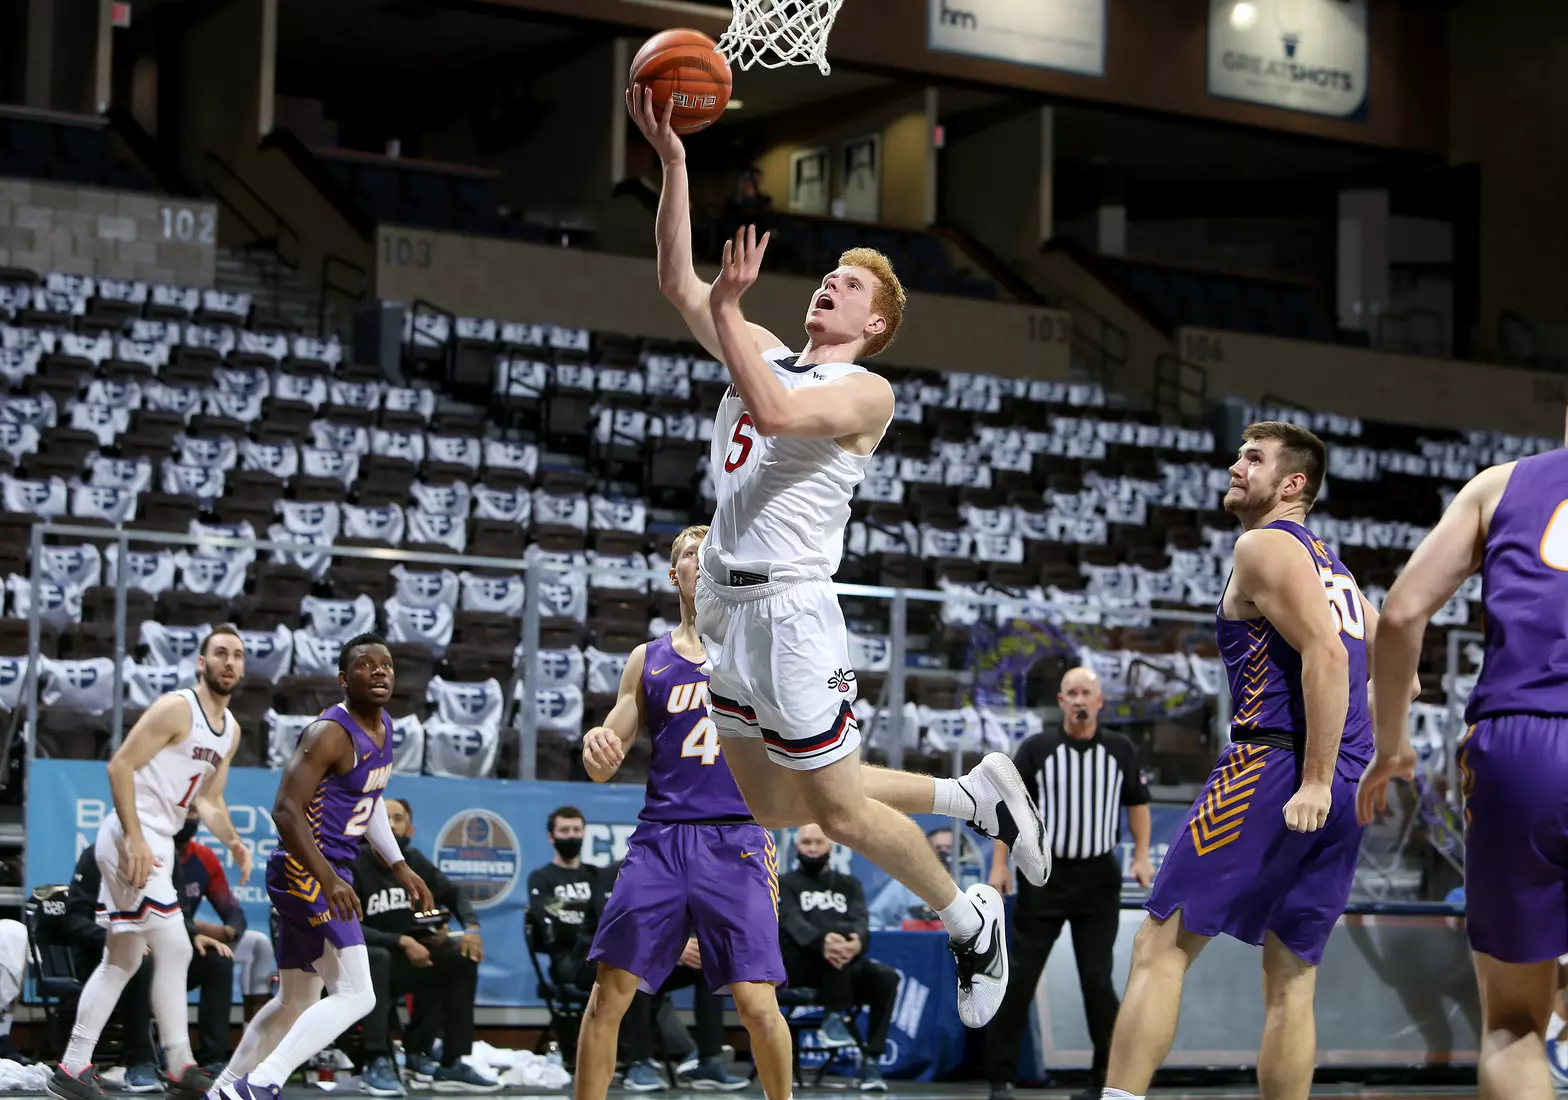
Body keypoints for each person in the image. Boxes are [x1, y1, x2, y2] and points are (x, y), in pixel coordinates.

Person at [627, 84, 1049, 1031]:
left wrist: (730, 313)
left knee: (844, 814)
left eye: (852, 287)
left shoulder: (867, 390)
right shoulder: (767, 347)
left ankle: (969, 916)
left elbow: (775, 414)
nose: (831, 285)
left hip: (791, 612)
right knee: (776, 804)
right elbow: (675, 283)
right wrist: (677, 164)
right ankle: (967, 793)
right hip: (729, 613)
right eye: (830, 278)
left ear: (874, 325)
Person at [1099, 422, 1412, 1100]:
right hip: (1348, 784)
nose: (1236, 466)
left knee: (1161, 949)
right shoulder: (1339, 571)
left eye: (1254, 458)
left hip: (1275, 768)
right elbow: (1405, 676)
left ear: (1292, 484)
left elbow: (1326, 658)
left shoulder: (1264, 544)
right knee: (1291, 979)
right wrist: (1371, 761)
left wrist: (1315, 779)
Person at [1357, 430, 1568, 1100]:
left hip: (1520, 745)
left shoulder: (1500, 486)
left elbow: (1398, 616)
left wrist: (1392, 743)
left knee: (1513, 1022)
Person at [575, 524, 790, 1100]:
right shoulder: (648, 660)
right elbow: (604, 758)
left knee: (756, 1001)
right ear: (677, 575)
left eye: (713, 554)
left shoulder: (756, 651)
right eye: (694, 555)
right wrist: (598, 741)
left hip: (738, 837)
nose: (704, 562)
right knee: (609, 993)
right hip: (662, 838)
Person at [209, 634, 432, 1100]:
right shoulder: (328, 732)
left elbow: (368, 802)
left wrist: (399, 866)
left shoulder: (385, 727)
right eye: (365, 665)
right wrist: (328, 877)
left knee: (296, 1000)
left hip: (325, 871)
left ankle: (226, 1089)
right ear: (342, 678)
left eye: (386, 664)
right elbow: (286, 811)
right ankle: (263, 1082)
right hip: (306, 870)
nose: (379, 671)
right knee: (359, 995)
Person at [46, 625, 252, 1100]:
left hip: (154, 838)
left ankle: (72, 1068)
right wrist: (136, 838)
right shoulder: (177, 708)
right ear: (202, 662)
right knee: (177, 948)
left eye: (237, 655)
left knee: (123, 959)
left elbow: (210, 800)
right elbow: (119, 765)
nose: (230, 662)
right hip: (132, 835)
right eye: (220, 653)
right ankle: (180, 1064)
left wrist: (234, 841)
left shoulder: (231, 730)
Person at [985, 667, 1152, 1100]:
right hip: (1045, 876)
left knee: (1098, 980)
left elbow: (1137, 803)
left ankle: (1104, 1081)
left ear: (1100, 702)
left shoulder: (1120, 749)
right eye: (1072, 693)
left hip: (1098, 880)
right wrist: (999, 865)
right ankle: (1000, 1078)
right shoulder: (1037, 749)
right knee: (1020, 975)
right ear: (1061, 701)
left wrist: (1139, 855)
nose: (1079, 700)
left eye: (1087, 694)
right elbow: (1008, 809)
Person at [354, 797, 498, 1093]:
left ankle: (447, 1060)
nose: (391, 825)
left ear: (410, 829)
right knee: (378, 958)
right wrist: (401, 940)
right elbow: (346, 927)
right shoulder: (354, 862)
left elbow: (454, 893)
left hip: (406, 962)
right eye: (384, 817)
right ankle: (377, 1060)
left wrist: (470, 927)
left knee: (459, 957)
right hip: (362, 963)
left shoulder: (415, 862)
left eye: (398, 818)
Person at [590, 859, 747, 1092]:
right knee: (634, 970)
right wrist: (674, 945)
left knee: (707, 965)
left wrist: (699, 945)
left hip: (656, 960)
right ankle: (639, 1063)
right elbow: (619, 928)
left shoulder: (683, 873)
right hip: (604, 962)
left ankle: (708, 1061)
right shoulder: (616, 873)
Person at [778, 824, 899, 1091]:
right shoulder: (784, 884)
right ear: (796, 847)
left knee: (886, 978)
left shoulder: (849, 884)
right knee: (832, 947)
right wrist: (824, 941)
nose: (812, 848)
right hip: (801, 966)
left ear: (830, 846)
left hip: (844, 962)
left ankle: (871, 1061)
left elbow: (861, 922)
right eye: (806, 842)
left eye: (818, 842)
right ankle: (834, 1017)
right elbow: (795, 925)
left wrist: (854, 943)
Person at [173, 817, 245, 1071]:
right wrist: (197, 928)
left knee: (219, 960)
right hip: (151, 947)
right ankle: (148, 1057)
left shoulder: (203, 858)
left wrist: (227, 932)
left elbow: (234, 914)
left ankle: (213, 1058)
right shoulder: (151, 852)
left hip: (186, 947)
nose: (189, 818)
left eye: (194, 812)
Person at [866, 828, 982, 931]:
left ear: (960, 851)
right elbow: (874, 921)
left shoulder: (971, 884)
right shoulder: (906, 884)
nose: (943, 852)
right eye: (938, 848)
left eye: (949, 848)